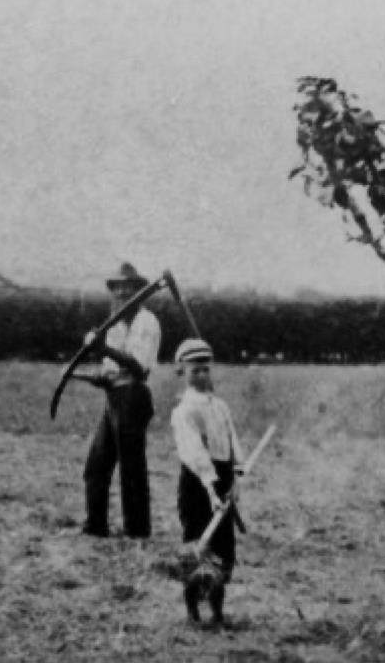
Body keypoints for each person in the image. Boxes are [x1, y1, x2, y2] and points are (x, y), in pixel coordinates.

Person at [75, 262, 161, 539]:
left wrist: (104, 348)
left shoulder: (146, 322)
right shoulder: (112, 324)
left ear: (139, 291)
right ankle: (95, 527)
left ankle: (137, 531)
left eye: (128, 287)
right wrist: (90, 372)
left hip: (133, 397)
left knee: (131, 468)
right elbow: (110, 369)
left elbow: (138, 367)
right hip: (114, 398)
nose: (122, 292)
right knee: (96, 467)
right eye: (117, 287)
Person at [170, 337, 249, 625]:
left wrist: (236, 479)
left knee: (223, 549)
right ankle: (193, 612)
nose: (202, 375)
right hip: (197, 484)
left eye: (206, 369)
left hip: (224, 480)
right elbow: (195, 453)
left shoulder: (221, 407)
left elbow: (232, 442)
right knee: (197, 547)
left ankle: (217, 611)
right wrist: (211, 490)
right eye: (195, 370)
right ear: (183, 372)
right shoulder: (184, 411)